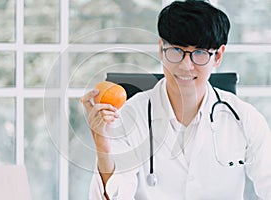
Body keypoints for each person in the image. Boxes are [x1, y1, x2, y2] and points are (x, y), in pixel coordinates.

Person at [81, 0, 271, 199]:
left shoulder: (245, 118)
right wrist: (102, 142)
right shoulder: (130, 115)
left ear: (218, 56)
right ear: (161, 48)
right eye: (176, 51)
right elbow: (114, 196)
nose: (186, 66)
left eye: (199, 53)